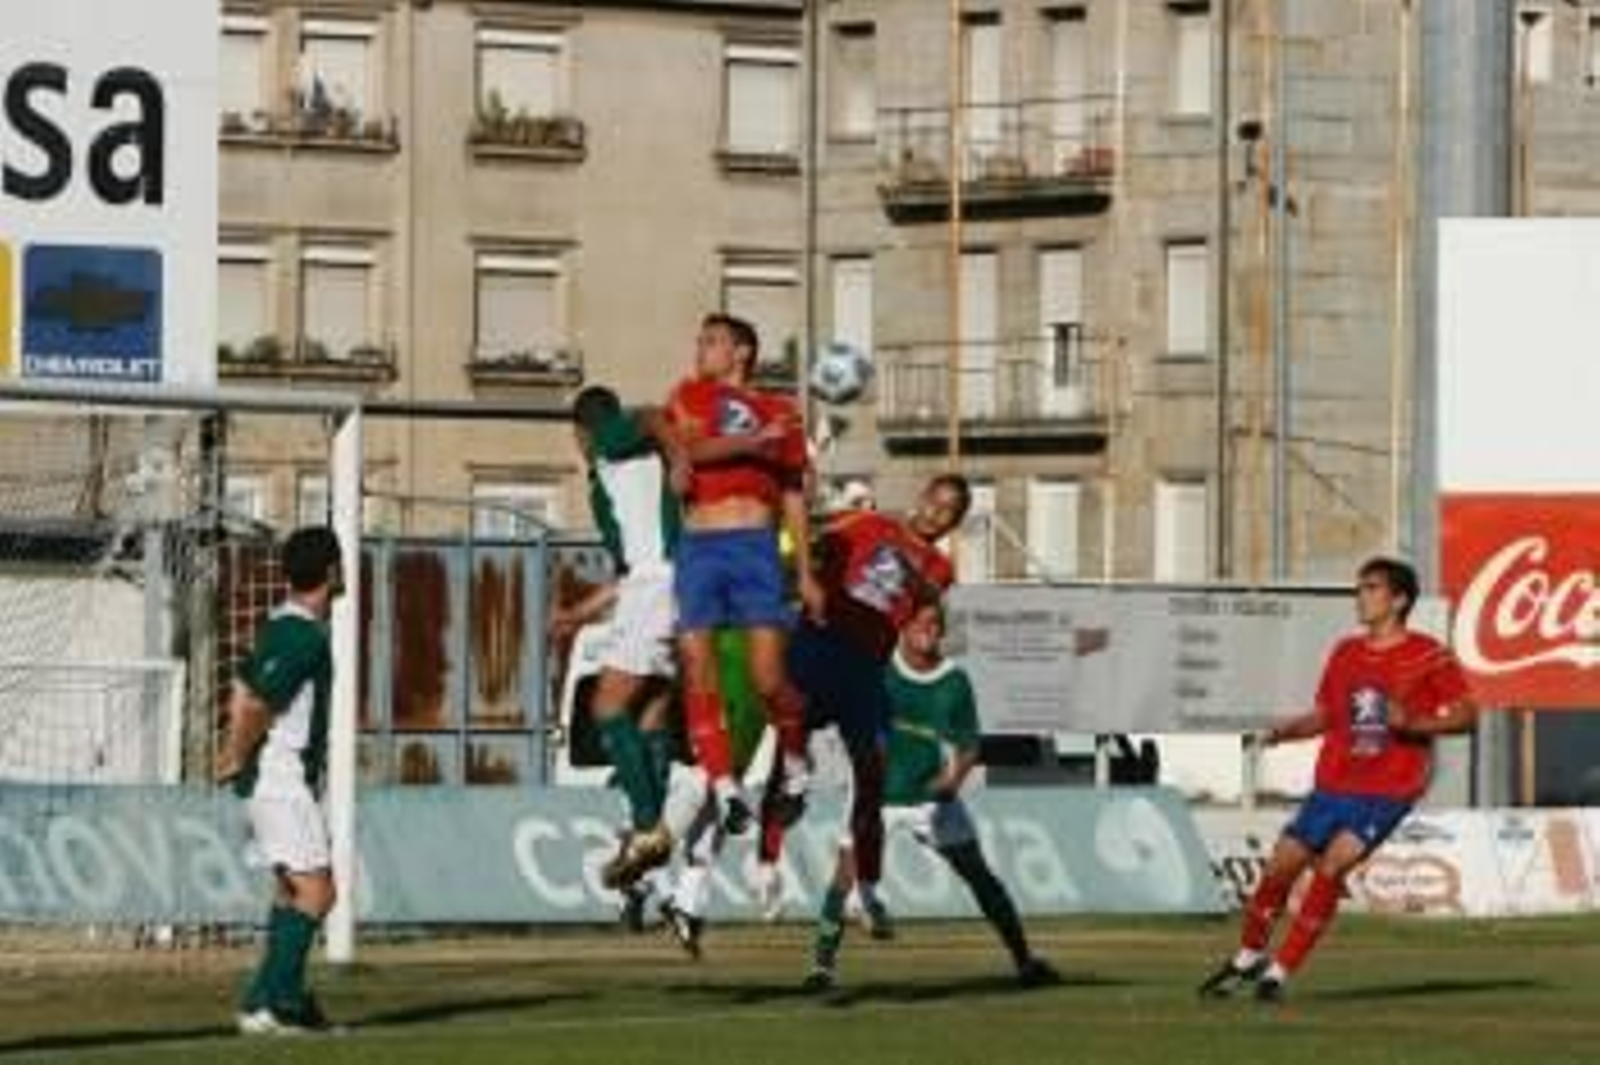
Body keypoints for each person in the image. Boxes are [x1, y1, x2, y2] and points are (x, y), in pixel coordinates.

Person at [1198, 556, 1477, 1004]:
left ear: (1399, 599)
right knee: (1280, 867)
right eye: (1360, 587)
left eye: (1371, 588)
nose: (1360, 597)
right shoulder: (1346, 651)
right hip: (1333, 783)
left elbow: (1467, 716)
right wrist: (1286, 732)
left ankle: (1279, 972)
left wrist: (1415, 724)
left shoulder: (1429, 655)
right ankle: (1248, 956)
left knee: (1332, 867)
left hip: (1388, 789)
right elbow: (1329, 714)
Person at [753, 473, 973, 934]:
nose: (935, 513)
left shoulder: (939, 566)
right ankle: (766, 865)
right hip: (820, 643)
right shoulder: (870, 524)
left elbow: (929, 597)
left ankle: (864, 891)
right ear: (920, 496)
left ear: (955, 523)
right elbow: (816, 542)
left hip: (865, 667)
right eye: (933, 500)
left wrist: (910, 575)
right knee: (788, 753)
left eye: (947, 511)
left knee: (872, 774)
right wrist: (805, 567)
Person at [803, 601, 1060, 991]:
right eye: (920, 622)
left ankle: (1025, 963)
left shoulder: (954, 681)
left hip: (930, 800)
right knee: (844, 874)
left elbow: (970, 746)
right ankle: (821, 970)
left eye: (935, 623)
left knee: (979, 876)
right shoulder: (879, 666)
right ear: (902, 627)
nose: (928, 629)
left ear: (942, 631)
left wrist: (952, 781)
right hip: (876, 796)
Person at [662, 313, 820, 836]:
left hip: (754, 546)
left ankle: (795, 761)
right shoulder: (691, 394)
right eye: (700, 339)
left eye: (712, 342)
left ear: (743, 351)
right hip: (700, 545)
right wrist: (754, 442)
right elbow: (693, 449)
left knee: (769, 680)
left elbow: (794, 495)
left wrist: (805, 572)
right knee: (696, 663)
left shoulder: (782, 411)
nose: (701, 349)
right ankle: (728, 790)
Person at [552, 385, 687, 889]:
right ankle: (649, 823)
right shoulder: (615, 476)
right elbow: (631, 569)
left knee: (608, 708)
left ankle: (650, 828)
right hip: (665, 586)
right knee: (650, 708)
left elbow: (652, 413)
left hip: (658, 586)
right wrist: (579, 612)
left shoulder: (609, 440)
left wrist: (679, 459)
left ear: (581, 431)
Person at [216, 526, 346, 1035]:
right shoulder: (301, 635)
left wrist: (235, 747)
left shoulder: (281, 624)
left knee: (290, 892)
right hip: (280, 775)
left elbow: (243, 687)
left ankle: (260, 1002)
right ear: (333, 572)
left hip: (272, 776)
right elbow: (260, 703)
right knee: (319, 893)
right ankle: (281, 1004)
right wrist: (234, 751)